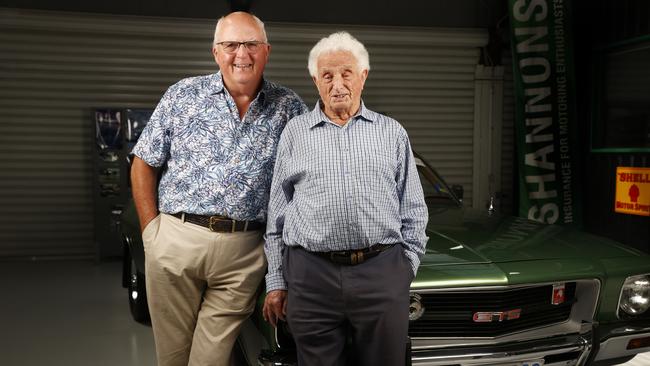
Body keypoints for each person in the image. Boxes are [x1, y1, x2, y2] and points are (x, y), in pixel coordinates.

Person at [130, 12, 307, 366]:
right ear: (216, 52)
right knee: (173, 358)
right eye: (231, 44)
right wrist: (152, 233)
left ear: (267, 51)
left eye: (251, 44)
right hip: (177, 241)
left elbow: (306, 179)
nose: (242, 53)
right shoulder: (183, 95)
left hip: (244, 253)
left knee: (210, 359)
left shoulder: (290, 108)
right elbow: (143, 163)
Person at [262, 31, 428, 366]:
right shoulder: (295, 133)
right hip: (311, 277)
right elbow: (277, 216)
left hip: (380, 271)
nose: (337, 84)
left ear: (363, 76)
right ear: (315, 80)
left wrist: (402, 271)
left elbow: (413, 209)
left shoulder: (392, 133)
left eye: (346, 73)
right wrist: (277, 281)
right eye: (327, 75)